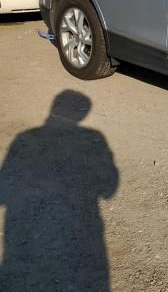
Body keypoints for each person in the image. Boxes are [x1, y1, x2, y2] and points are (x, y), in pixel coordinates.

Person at [0, 90, 118, 291]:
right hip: (84, 243)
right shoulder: (93, 138)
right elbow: (109, 189)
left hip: (22, 244)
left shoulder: (23, 139)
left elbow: (3, 194)